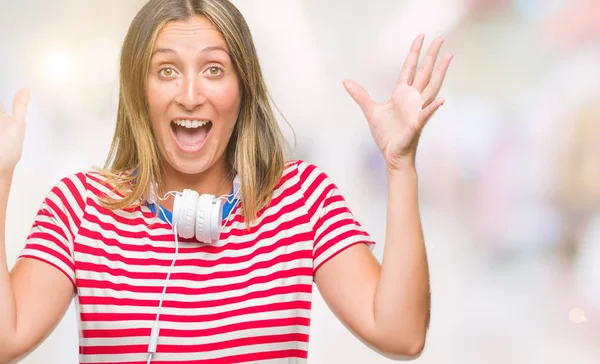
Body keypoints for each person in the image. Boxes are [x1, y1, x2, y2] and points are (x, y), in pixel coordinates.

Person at [0, 0, 452, 363]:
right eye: (167, 70)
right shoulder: (80, 207)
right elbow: (6, 339)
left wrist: (400, 165)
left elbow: (401, 335)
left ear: (242, 88)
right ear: (139, 90)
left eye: (213, 69)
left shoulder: (302, 199)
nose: (192, 96)